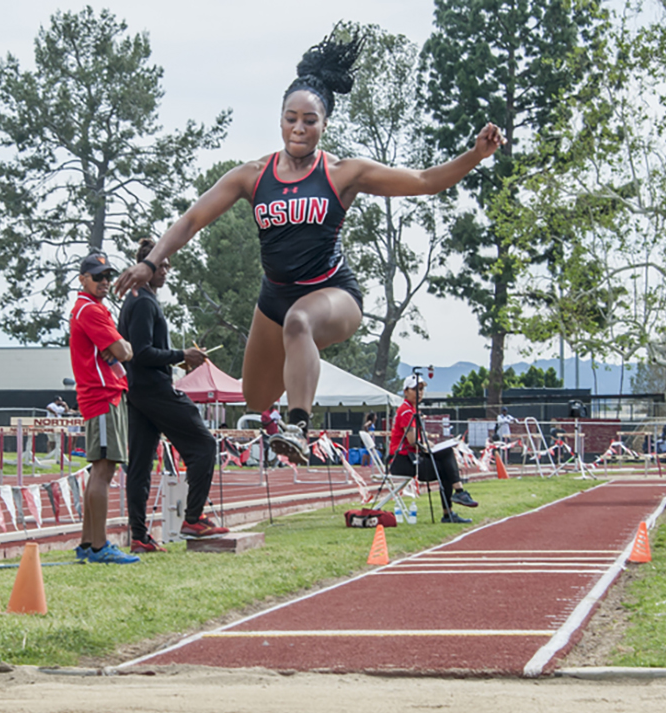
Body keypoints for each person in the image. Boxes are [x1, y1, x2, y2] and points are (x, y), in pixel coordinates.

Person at [115, 28, 503, 466]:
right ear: (280, 119)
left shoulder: (342, 173)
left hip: (333, 292)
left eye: (309, 120)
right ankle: (282, 415)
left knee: (300, 322)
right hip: (273, 296)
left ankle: (299, 424)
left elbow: (424, 182)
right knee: (255, 395)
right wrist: (151, 261)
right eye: (291, 118)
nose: (299, 128)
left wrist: (474, 155)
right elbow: (191, 220)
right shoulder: (253, 175)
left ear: (324, 124)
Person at [117, 238, 228, 551]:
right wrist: (181, 354)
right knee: (204, 445)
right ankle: (193, 518)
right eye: (160, 265)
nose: (166, 271)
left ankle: (138, 536)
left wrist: (180, 357)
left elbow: (142, 352)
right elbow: (141, 353)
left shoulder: (138, 298)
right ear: (146, 267)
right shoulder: (142, 302)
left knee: (139, 465)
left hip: (138, 390)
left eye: (167, 265)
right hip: (153, 388)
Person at [69, 252, 140, 564]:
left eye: (108, 276)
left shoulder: (91, 309)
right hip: (102, 396)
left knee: (100, 469)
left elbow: (122, 351)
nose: (105, 282)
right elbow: (124, 351)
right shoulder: (90, 311)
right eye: (98, 276)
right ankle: (99, 547)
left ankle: (88, 543)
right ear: (83, 279)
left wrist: (120, 348)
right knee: (103, 470)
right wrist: (120, 347)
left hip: (103, 395)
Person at [388, 374, 477, 524]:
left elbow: (418, 439)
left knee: (446, 463)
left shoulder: (412, 410)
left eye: (422, 389)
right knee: (446, 461)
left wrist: (429, 445)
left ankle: (450, 509)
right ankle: (458, 494)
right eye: (415, 389)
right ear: (406, 391)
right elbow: (413, 441)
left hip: (411, 457)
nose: (420, 392)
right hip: (403, 461)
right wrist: (428, 447)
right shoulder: (406, 411)